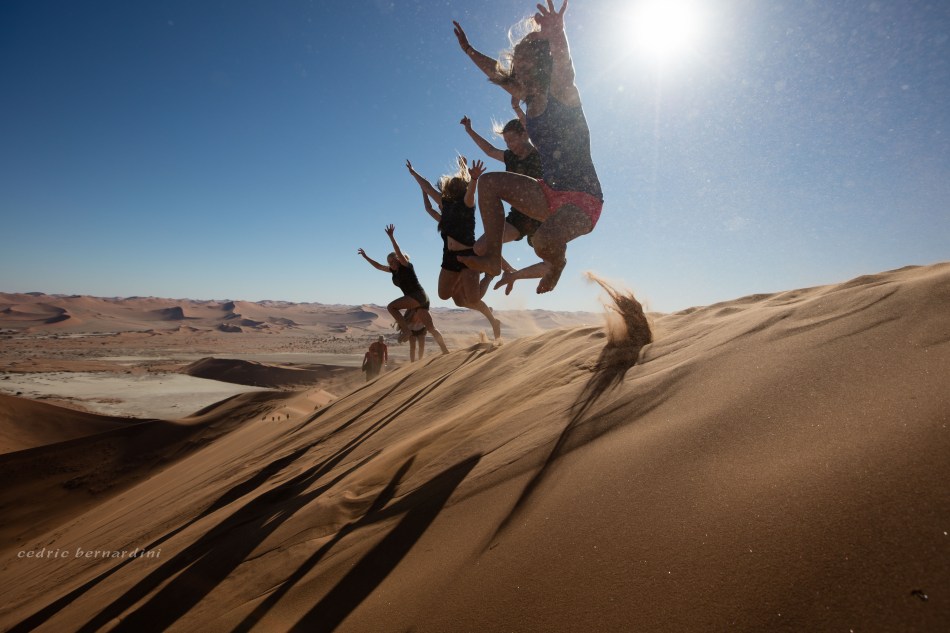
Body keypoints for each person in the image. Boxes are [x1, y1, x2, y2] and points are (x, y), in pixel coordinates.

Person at [453, 0, 603, 294]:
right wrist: (468, 50)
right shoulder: (526, 95)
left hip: (583, 200)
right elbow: (496, 73)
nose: (516, 66)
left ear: (540, 61)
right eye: (515, 60)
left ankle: (555, 266)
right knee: (490, 182)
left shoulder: (560, 90)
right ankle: (493, 259)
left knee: (543, 242)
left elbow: (565, 66)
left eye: (522, 60)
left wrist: (558, 33)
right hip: (549, 192)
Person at [406, 159, 502, 340]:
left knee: (473, 299)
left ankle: (488, 279)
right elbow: (427, 188)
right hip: (450, 258)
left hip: (468, 257)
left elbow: (471, 192)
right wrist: (414, 173)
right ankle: (468, 283)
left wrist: (473, 179)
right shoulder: (445, 205)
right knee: (446, 296)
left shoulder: (467, 204)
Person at [358, 224, 449, 355]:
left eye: (393, 261)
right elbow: (378, 266)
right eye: (389, 262)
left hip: (418, 296)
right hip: (418, 301)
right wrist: (366, 257)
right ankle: (445, 351)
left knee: (391, 307)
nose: (391, 264)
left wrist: (391, 237)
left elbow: (398, 251)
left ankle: (406, 331)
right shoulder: (392, 271)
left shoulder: (406, 266)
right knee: (431, 328)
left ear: (398, 260)